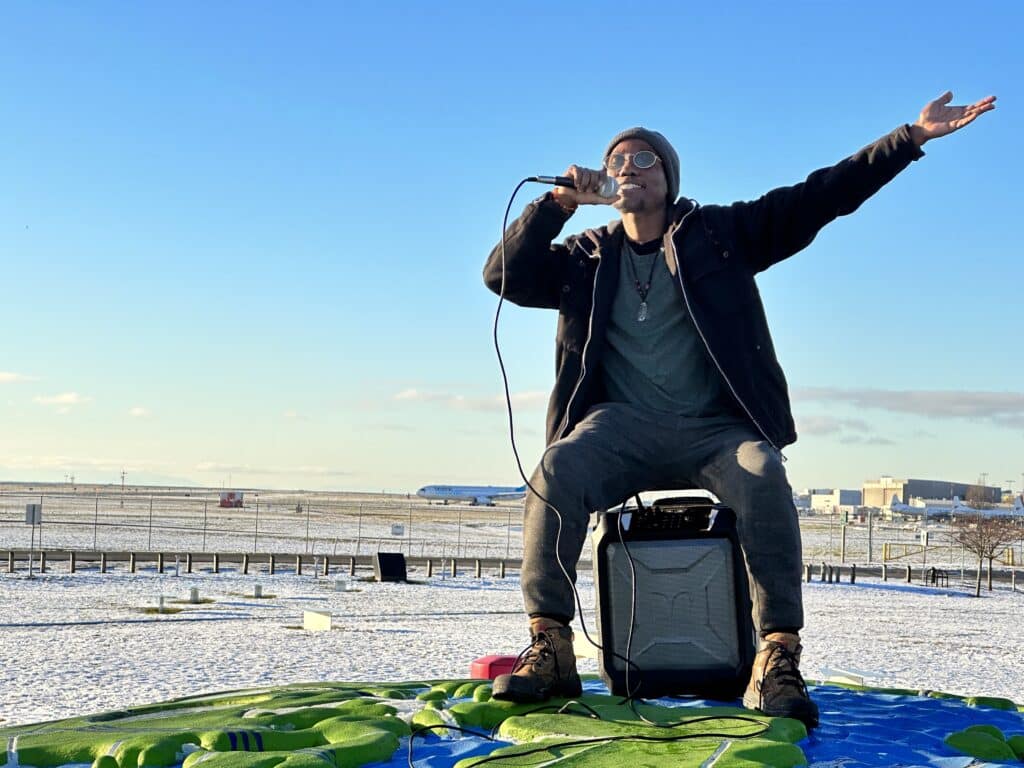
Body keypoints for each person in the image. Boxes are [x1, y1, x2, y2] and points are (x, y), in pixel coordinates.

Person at [481, 91, 995, 729]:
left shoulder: (719, 235)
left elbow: (820, 196)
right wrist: (556, 205)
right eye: (617, 160)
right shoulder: (585, 257)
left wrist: (909, 139)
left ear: (669, 179)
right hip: (620, 427)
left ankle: (777, 656)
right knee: (556, 470)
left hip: (716, 427)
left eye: (645, 159)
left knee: (762, 474)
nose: (628, 168)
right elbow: (502, 275)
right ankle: (552, 646)